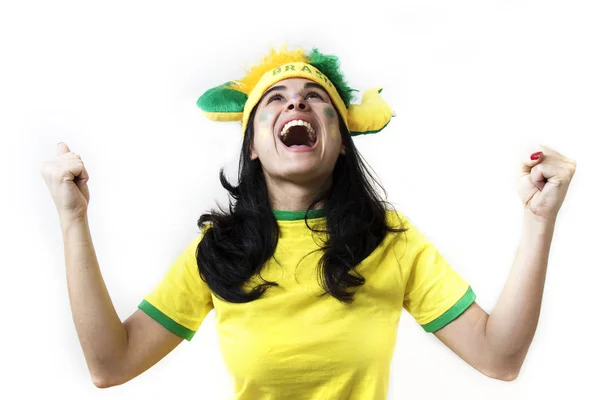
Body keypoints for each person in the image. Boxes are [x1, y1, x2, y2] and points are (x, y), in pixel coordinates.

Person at [40, 46, 577, 398]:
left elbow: (500, 359)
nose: (295, 100)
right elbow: (110, 365)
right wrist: (72, 220)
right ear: (252, 145)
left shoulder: (391, 240)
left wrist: (540, 222)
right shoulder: (220, 250)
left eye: (315, 97)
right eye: (273, 99)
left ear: (341, 140)